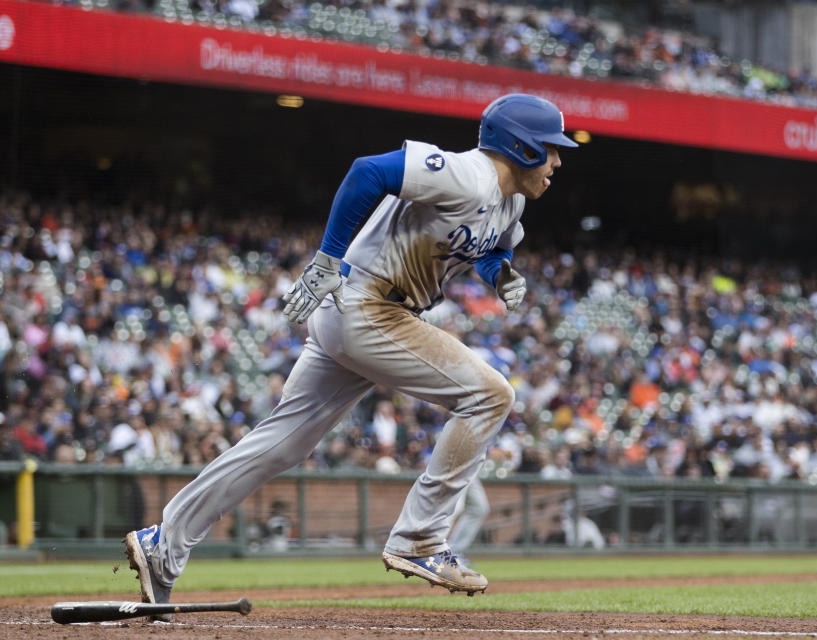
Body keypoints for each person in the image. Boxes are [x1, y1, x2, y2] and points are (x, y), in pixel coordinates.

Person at [123, 93, 577, 614]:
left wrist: (501, 274)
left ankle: (165, 543)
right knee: (491, 394)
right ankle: (421, 539)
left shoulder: (510, 202)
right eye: (550, 149)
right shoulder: (464, 174)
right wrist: (326, 259)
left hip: (368, 314)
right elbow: (368, 172)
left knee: (281, 446)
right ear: (519, 147)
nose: (558, 161)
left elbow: (490, 244)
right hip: (367, 304)